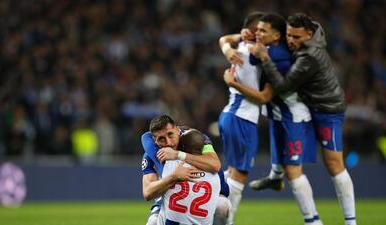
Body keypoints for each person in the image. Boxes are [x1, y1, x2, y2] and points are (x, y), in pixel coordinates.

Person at [251, 13, 356, 225]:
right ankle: (276, 176)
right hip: (309, 107)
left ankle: (350, 221)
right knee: (287, 149)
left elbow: (282, 87)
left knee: (334, 164)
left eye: (297, 37)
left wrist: (265, 57)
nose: (291, 41)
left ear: (309, 34)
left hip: (327, 110)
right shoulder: (308, 36)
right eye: (289, 35)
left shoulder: (309, 56)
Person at [219, 13, 321, 225]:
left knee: (231, 173)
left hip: (231, 114)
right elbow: (265, 96)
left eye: (263, 31)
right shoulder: (256, 53)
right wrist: (233, 81)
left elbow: (223, 40)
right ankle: (223, 222)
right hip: (242, 117)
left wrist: (230, 45)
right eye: (258, 30)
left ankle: (215, 219)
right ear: (250, 32)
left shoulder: (243, 49)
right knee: (238, 177)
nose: (259, 34)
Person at [141, 115, 230, 225]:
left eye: (170, 135)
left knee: (222, 205)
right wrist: (173, 177)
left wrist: (178, 155)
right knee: (153, 222)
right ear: (155, 141)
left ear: (178, 131)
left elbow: (215, 165)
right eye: (161, 139)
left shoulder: (198, 140)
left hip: (206, 192)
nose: (168, 142)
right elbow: (147, 192)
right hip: (171, 193)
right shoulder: (151, 153)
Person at [157, 129, 221, 225]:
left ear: (182, 146)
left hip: (173, 222)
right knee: (224, 204)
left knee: (158, 214)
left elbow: (147, 139)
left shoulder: (171, 165)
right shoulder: (215, 174)